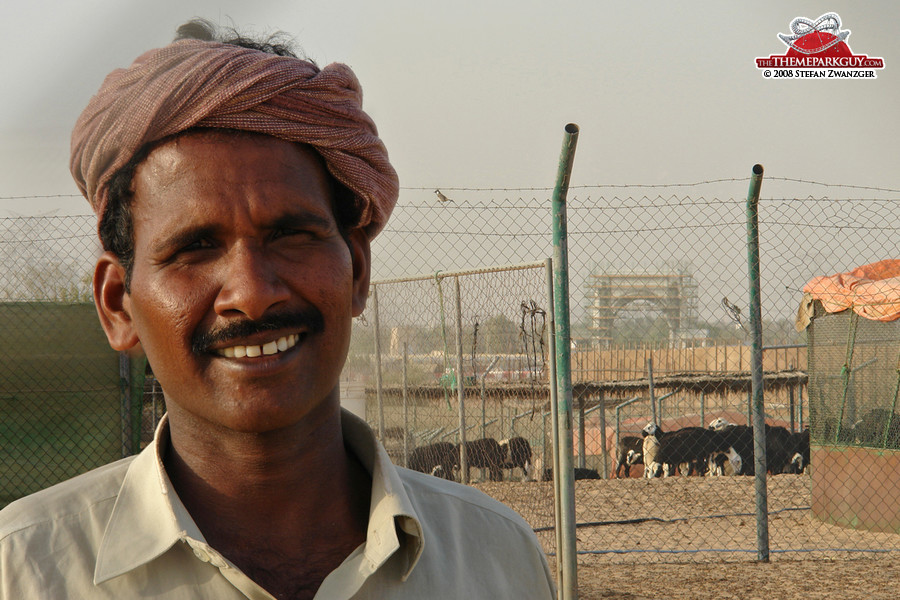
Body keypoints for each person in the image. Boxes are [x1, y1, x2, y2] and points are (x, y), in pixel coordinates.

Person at [0, 19, 555, 600]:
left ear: (358, 271)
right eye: (195, 248)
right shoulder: (28, 572)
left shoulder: (496, 560)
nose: (252, 292)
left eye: (291, 235)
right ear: (118, 306)